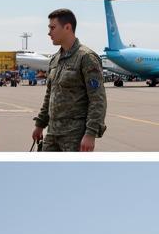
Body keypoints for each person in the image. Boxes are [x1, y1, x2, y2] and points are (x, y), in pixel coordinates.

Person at [32, 9, 107, 151]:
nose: (49, 32)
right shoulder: (55, 59)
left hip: (75, 136)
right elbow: (49, 96)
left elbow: (97, 99)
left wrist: (90, 134)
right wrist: (40, 124)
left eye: (52, 28)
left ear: (67, 27)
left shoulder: (86, 58)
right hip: (52, 134)